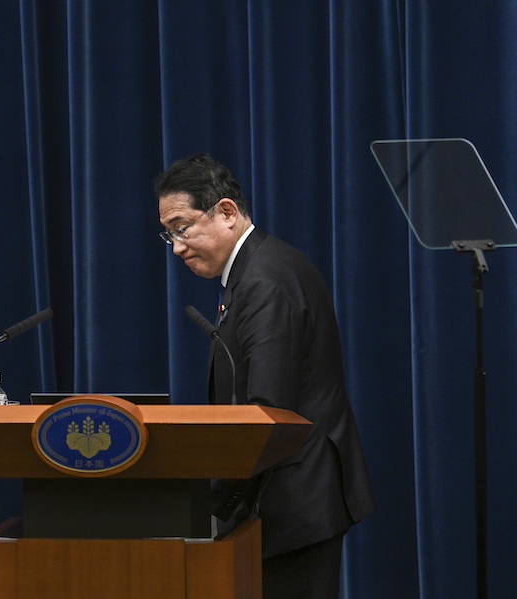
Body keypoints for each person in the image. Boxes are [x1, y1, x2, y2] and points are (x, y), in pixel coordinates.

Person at [155, 153, 375, 598]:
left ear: (227, 213)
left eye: (182, 228)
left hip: (294, 504)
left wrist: (210, 504)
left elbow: (267, 415)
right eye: (169, 235)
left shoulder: (264, 281)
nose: (177, 246)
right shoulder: (257, 270)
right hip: (292, 497)